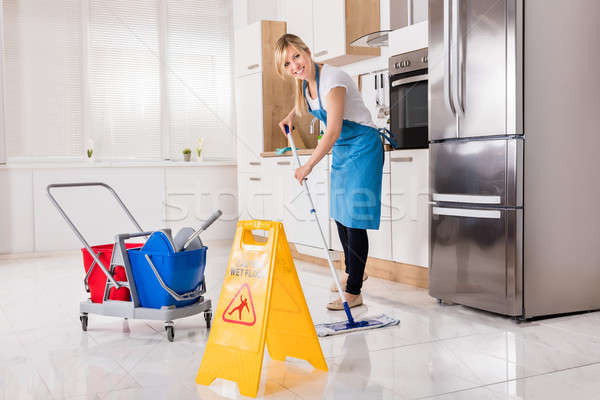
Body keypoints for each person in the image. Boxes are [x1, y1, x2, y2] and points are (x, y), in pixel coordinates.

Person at [274, 34, 397, 311]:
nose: (294, 65)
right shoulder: (306, 86)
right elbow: (309, 103)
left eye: (296, 56)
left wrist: (308, 165)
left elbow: (332, 131)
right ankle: (354, 270)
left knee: (354, 218)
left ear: (307, 51)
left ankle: (354, 291)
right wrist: (291, 116)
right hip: (343, 149)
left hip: (363, 147)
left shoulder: (334, 79)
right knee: (340, 213)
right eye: (287, 63)